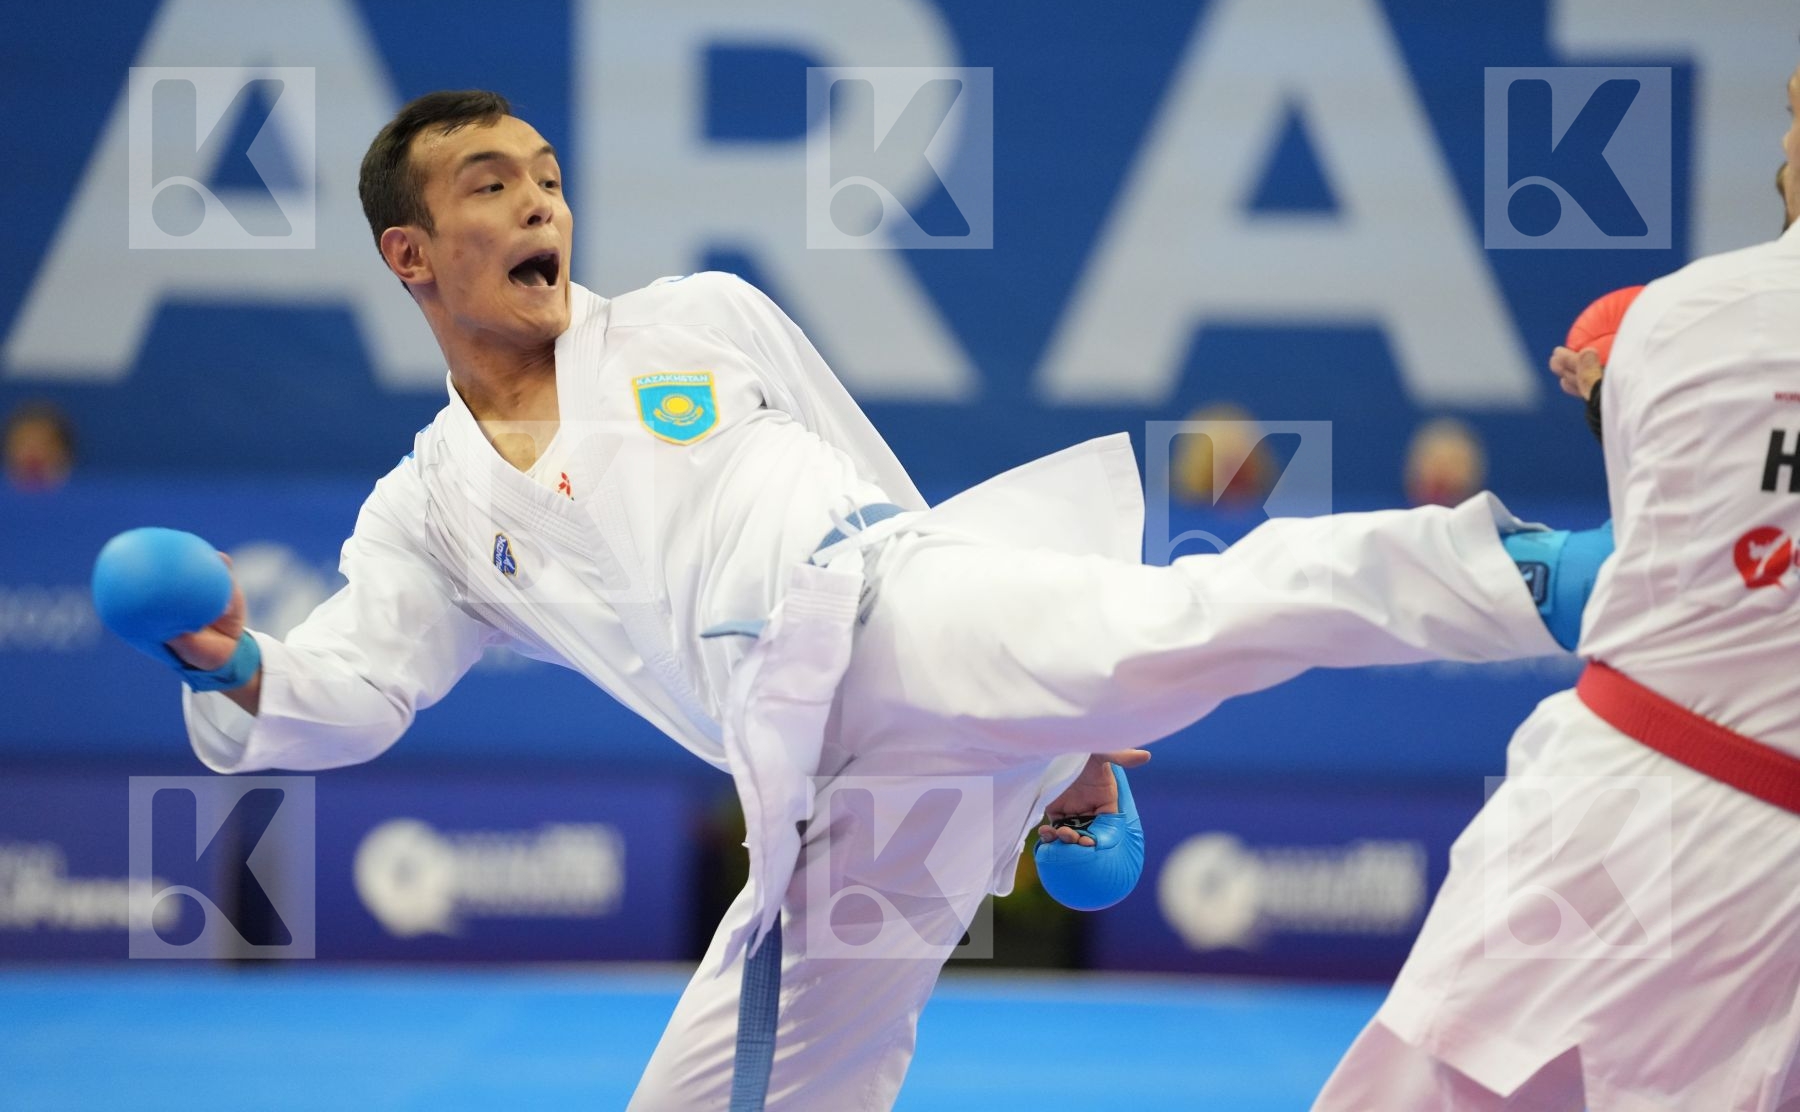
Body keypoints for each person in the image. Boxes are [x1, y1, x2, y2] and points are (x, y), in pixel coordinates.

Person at [140, 91, 1588, 1110]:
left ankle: (1524, 569)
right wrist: (233, 664)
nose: (538, 202)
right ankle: (1042, 762)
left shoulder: (695, 318)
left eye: (546, 175)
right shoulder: (432, 507)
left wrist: (1054, 714)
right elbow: (355, 688)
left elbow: (876, 483)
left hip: (895, 607)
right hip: (819, 795)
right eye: (489, 186)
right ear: (411, 255)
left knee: (1178, 623)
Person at [1312, 61, 1800, 1112]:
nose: (1779, 151)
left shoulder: (1686, 315)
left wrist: (1624, 390)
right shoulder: (1689, 321)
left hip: (1635, 816)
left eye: (1794, 121)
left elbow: (1667, 559)